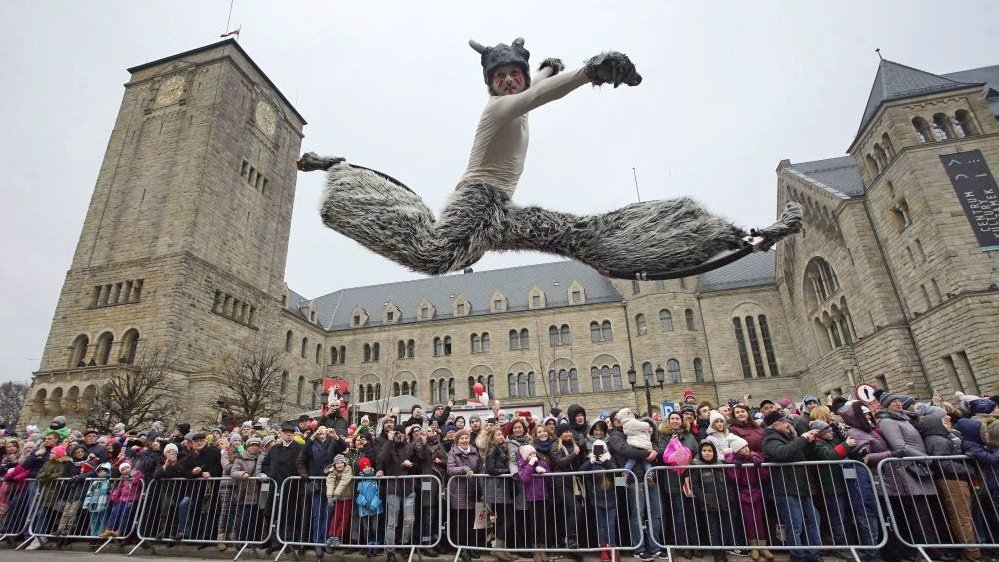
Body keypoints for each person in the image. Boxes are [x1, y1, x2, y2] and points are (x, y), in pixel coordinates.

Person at [297, 38, 801, 282]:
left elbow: (535, 86)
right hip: (475, 206)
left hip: (503, 210)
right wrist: (590, 71)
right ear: (492, 85)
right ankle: (345, 176)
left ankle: (721, 233)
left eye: (515, 75)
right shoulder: (500, 107)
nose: (511, 82)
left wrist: (541, 66)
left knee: (581, 236)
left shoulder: (519, 89)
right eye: (503, 78)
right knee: (437, 255)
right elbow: (539, 96)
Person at [917, 411, 980, 562]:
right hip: (952, 479)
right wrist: (968, 469)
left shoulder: (940, 438)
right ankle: (973, 554)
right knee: (962, 517)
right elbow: (943, 463)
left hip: (953, 478)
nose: (949, 424)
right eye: (945, 421)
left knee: (962, 516)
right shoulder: (939, 441)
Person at [762, 410, 823, 562]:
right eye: (784, 422)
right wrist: (802, 439)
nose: (787, 424)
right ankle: (798, 557)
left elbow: (800, 453)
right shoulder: (770, 439)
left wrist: (809, 441)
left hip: (801, 485)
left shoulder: (789, 436)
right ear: (775, 425)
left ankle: (813, 554)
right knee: (795, 525)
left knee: (812, 520)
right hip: (786, 487)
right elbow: (781, 453)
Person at [724, 437, 772, 562]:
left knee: (760, 520)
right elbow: (733, 478)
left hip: (757, 491)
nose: (746, 449)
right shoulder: (732, 460)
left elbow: (765, 475)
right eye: (742, 448)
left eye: (746, 447)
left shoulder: (756, 456)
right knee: (749, 520)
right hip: (743, 492)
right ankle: (753, 546)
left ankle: (763, 546)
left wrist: (758, 465)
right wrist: (738, 467)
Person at [688, 442, 735, 562]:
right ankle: (717, 552)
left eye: (710, 451)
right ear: (700, 453)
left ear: (714, 452)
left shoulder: (720, 464)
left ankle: (723, 549)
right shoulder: (697, 465)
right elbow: (695, 484)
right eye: (704, 451)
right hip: (708, 501)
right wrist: (704, 497)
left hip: (723, 500)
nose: (707, 453)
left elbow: (727, 482)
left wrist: (729, 496)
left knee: (724, 527)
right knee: (712, 528)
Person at [580, 439, 619, 562]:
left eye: (601, 448)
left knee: (611, 525)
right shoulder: (590, 461)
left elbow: (617, 473)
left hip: (611, 498)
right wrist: (591, 460)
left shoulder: (609, 459)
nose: (598, 451)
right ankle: (603, 550)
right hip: (596, 499)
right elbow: (580, 472)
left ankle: (612, 548)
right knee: (601, 526)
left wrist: (605, 460)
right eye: (596, 448)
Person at [447, 429, 482, 562]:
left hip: (472, 491)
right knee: (461, 523)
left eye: (466, 438)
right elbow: (450, 469)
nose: (464, 440)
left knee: (472, 522)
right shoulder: (453, 453)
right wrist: (464, 469)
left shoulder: (475, 452)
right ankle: (462, 549)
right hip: (458, 492)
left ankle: (471, 546)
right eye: (461, 438)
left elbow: (479, 469)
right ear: (457, 440)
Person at [101, 461, 143, 538]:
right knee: (114, 513)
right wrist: (114, 497)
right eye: (123, 469)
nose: (126, 470)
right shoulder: (122, 479)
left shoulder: (137, 473)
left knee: (125, 514)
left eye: (127, 467)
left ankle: (120, 531)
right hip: (122, 499)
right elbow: (119, 488)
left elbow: (138, 480)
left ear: (131, 467)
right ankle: (108, 529)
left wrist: (132, 478)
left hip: (132, 499)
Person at [354, 458, 382, 558]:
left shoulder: (376, 478)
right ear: (361, 469)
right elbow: (357, 494)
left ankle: (377, 545)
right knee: (366, 528)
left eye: (368, 466)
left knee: (375, 527)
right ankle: (369, 545)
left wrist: (374, 504)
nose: (367, 468)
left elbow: (380, 492)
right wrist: (364, 503)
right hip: (364, 508)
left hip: (376, 508)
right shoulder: (359, 479)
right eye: (364, 467)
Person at [324, 454, 353, 550]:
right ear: (334, 464)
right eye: (337, 463)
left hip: (347, 497)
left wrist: (335, 495)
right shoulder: (332, 471)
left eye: (341, 462)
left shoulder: (348, 469)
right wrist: (329, 496)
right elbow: (330, 483)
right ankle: (331, 535)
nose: (340, 465)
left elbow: (344, 481)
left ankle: (338, 536)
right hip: (338, 498)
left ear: (344, 463)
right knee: (336, 516)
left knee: (344, 518)